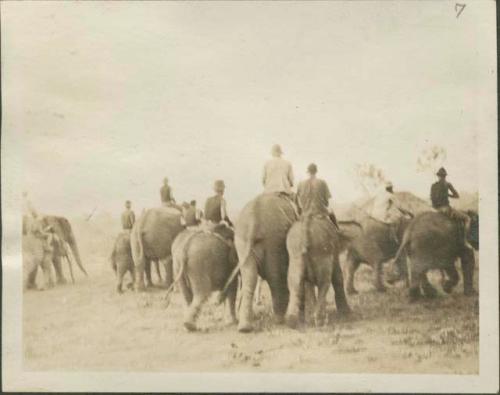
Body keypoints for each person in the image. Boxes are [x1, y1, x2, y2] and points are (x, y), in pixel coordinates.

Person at [297, 163, 339, 252]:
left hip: (306, 213)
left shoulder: (301, 184)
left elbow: (298, 200)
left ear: (308, 172)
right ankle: (338, 234)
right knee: (332, 213)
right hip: (320, 211)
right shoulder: (322, 182)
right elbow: (327, 201)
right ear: (316, 172)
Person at [430, 167, 472, 251]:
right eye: (443, 176)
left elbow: (431, 198)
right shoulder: (447, 184)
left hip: (435, 210)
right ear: (445, 176)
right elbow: (457, 196)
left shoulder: (433, 186)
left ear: (438, 176)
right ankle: (465, 241)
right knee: (468, 219)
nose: (442, 177)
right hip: (446, 209)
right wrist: (448, 195)